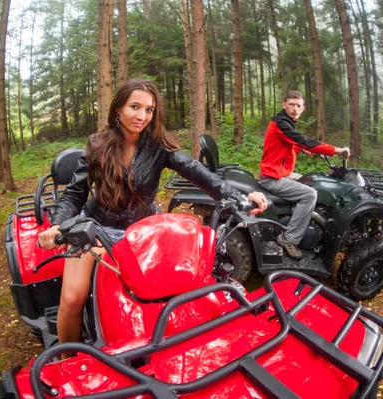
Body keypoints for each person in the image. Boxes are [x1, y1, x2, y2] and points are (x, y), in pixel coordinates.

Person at [38, 78, 268, 346]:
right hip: (95, 227)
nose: (142, 116)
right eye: (135, 107)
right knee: (72, 298)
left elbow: (199, 173)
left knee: (169, 288)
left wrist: (239, 194)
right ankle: (67, 361)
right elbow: (75, 194)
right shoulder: (97, 145)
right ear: (118, 109)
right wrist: (57, 224)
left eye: (149, 109)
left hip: (142, 230)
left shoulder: (159, 146)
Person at [259, 90, 350, 260]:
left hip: (280, 172)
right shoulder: (282, 123)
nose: (294, 108)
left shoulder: (285, 121)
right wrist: (335, 151)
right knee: (310, 194)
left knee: (310, 180)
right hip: (272, 177)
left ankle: (300, 218)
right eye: (291, 104)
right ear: (283, 105)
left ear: (303, 108)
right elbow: (302, 140)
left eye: (298, 105)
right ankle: (289, 238)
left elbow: (292, 142)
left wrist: (306, 151)